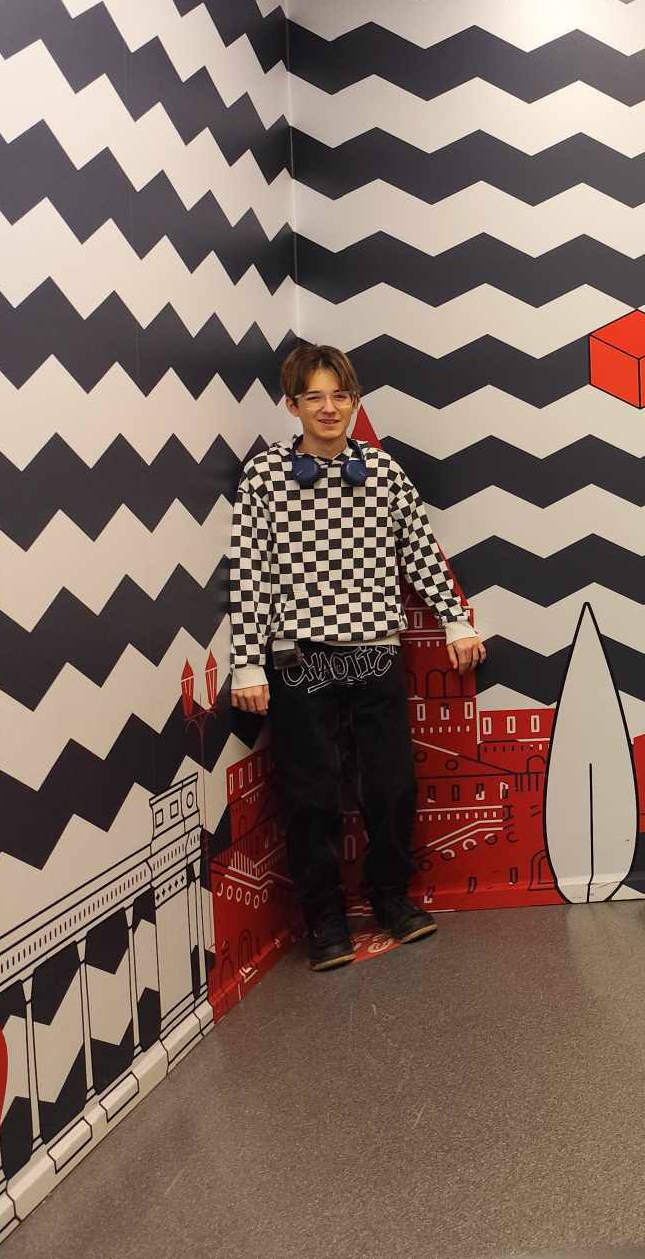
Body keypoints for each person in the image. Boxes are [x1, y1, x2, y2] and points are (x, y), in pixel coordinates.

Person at [227, 343, 487, 970]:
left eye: (339, 395)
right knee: (310, 791)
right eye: (313, 397)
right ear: (292, 406)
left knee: (391, 784)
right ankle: (324, 918)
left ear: (355, 401)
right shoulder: (264, 477)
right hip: (300, 655)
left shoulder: (384, 471)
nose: (328, 408)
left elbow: (420, 550)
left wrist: (455, 621)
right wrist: (248, 662)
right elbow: (249, 573)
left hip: (374, 649)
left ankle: (391, 896)